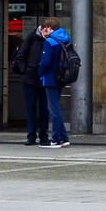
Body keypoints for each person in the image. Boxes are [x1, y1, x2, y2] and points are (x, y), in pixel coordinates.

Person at [12, 19, 51, 145]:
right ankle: (31, 135)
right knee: (31, 108)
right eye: (46, 30)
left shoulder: (50, 39)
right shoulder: (32, 38)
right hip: (30, 78)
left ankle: (43, 135)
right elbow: (20, 56)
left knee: (44, 109)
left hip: (44, 79)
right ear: (42, 28)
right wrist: (26, 70)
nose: (48, 33)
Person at [37, 17, 74, 147]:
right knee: (55, 107)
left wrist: (39, 71)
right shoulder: (65, 39)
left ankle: (57, 138)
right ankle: (63, 137)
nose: (42, 31)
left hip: (50, 78)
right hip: (61, 77)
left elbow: (45, 62)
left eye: (44, 28)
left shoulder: (50, 42)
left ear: (49, 28)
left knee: (53, 109)